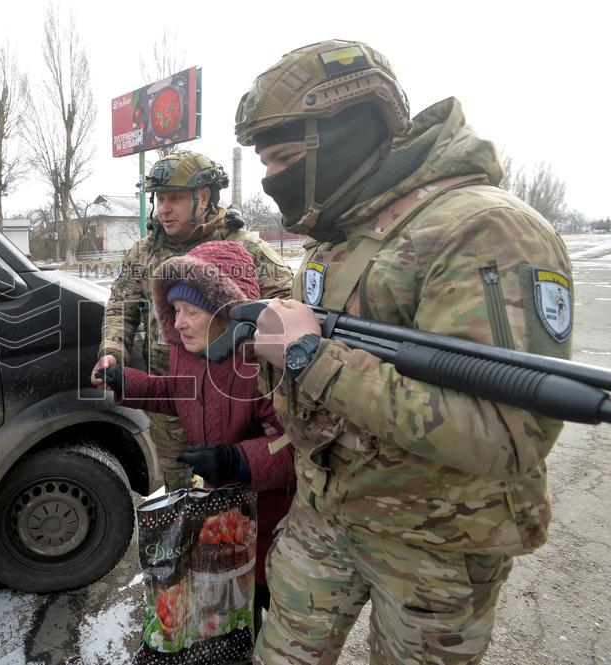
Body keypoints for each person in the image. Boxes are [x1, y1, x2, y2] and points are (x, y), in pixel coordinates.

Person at [234, 40, 574, 665]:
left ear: (344, 138)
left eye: (283, 159)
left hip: (434, 544)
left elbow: (506, 433)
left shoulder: (484, 230)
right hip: (326, 514)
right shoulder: (338, 237)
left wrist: (311, 357)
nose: (270, 180)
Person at [95, 240, 296, 631]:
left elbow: (297, 447)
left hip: (273, 526)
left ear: (228, 313)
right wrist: (126, 382)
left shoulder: (263, 368)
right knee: (235, 614)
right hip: (227, 520)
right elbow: (177, 392)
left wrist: (236, 459)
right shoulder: (191, 353)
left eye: (191, 311)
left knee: (275, 613)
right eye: (175, 311)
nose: (179, 321)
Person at [92, 150, 293, 491]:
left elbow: (289, 308)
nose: (163, 209)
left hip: (237, 402)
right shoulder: (144, 253)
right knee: (178, 488)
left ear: (203, 197)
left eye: (174, 199)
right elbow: (120, 305)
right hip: (169, 395)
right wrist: (112, 351)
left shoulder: (244, 249)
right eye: (158, 199)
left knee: (233, 488)